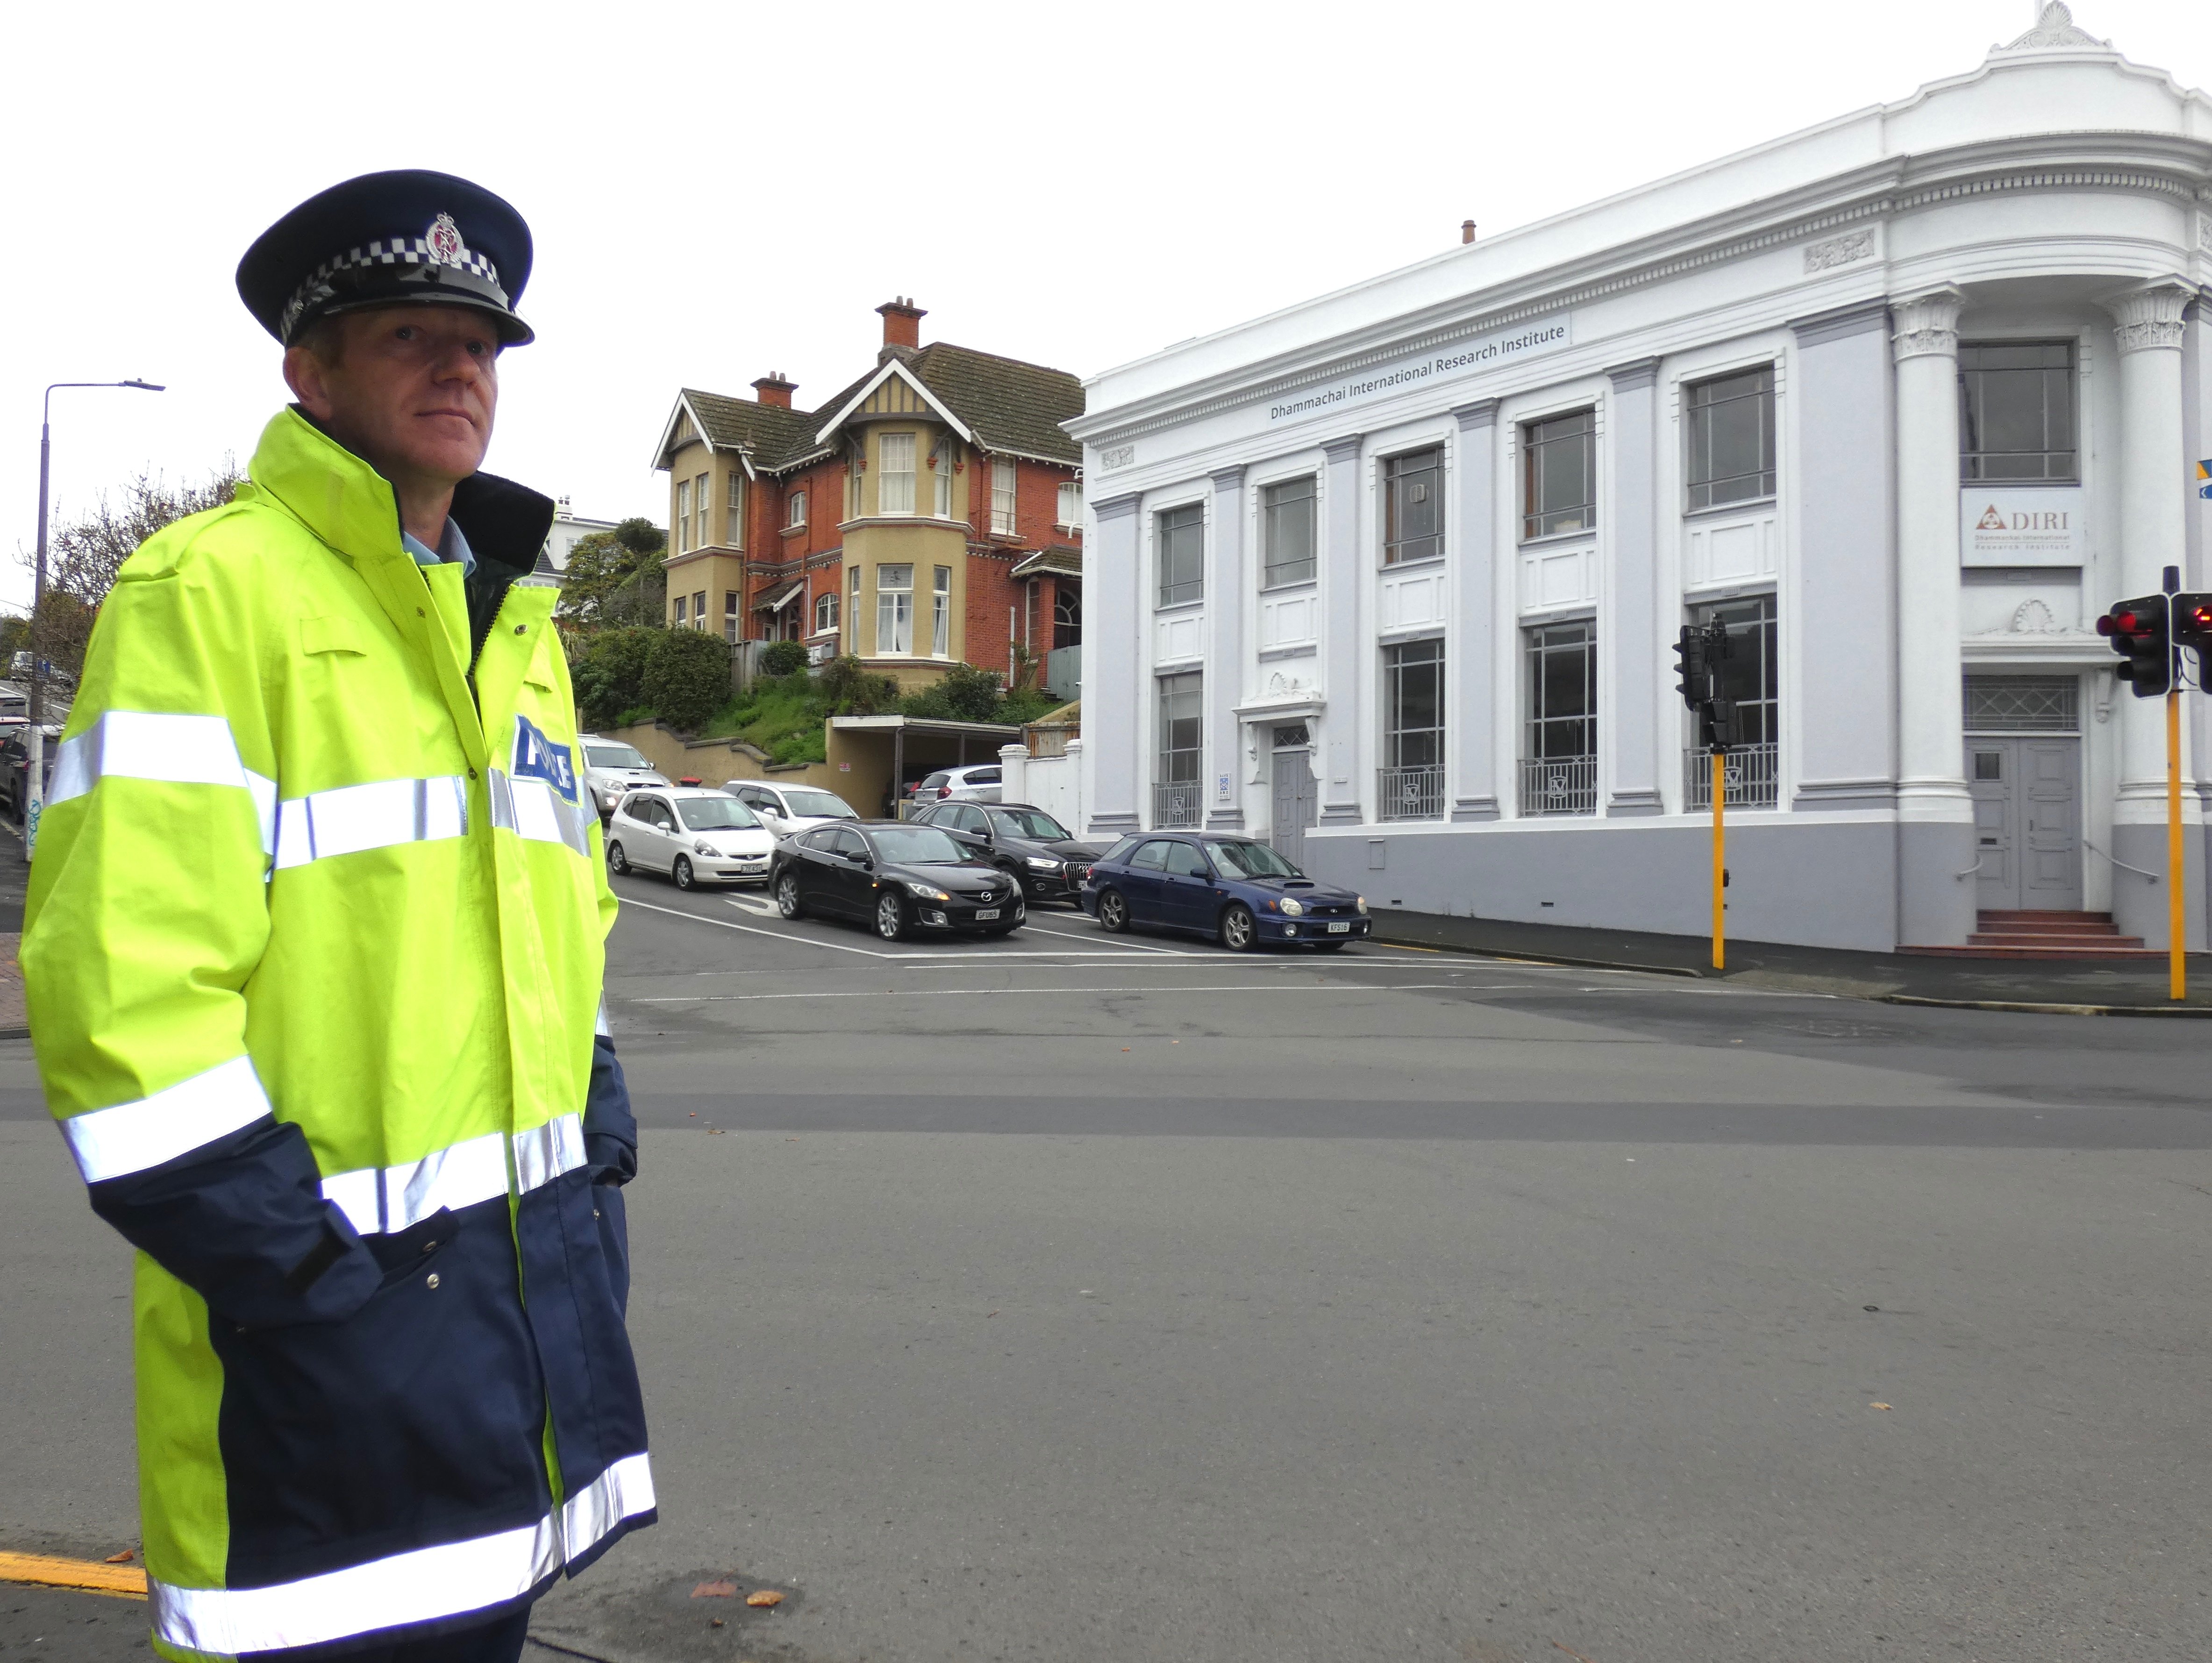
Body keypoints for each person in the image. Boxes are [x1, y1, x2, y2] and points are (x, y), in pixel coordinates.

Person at [22, 171, 653, 1663]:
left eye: (482, 345)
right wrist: (301, 1280)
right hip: (321, 1360)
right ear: (310, 372)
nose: (459, 370)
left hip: (516, 1328)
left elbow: (563, 915)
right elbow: (122, 993)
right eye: (410, 337)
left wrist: (599, 1115)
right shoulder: (210, 593)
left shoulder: (521, 628)